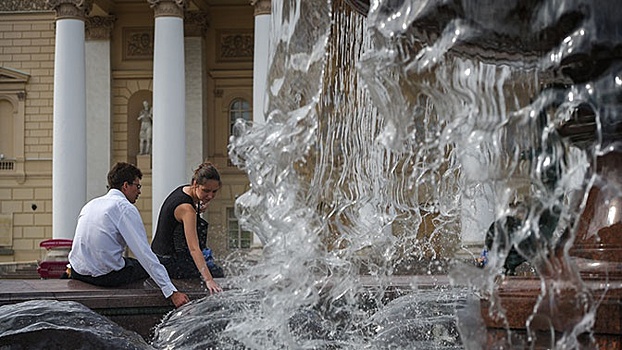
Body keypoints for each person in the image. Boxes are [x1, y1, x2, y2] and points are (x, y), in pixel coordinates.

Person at [68, 162, 189, 308]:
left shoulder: (91, 204)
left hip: (78, 272)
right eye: (137, 186)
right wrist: (171, 292)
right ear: (125, 186)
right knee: (161, 262)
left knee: (131, 262)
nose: (139, 192)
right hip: (104, 277)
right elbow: (143, 253)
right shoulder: (123, 207)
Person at [152, 161, 223, 294]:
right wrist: (209, 280)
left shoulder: (185, 191)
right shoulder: (186, 209)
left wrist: (199, 206)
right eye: (206, 191)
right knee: (218, 272)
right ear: (195, 183)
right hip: (168, 264)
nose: (210, 196)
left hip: (157, 257)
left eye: (214, 191)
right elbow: (194, 248)